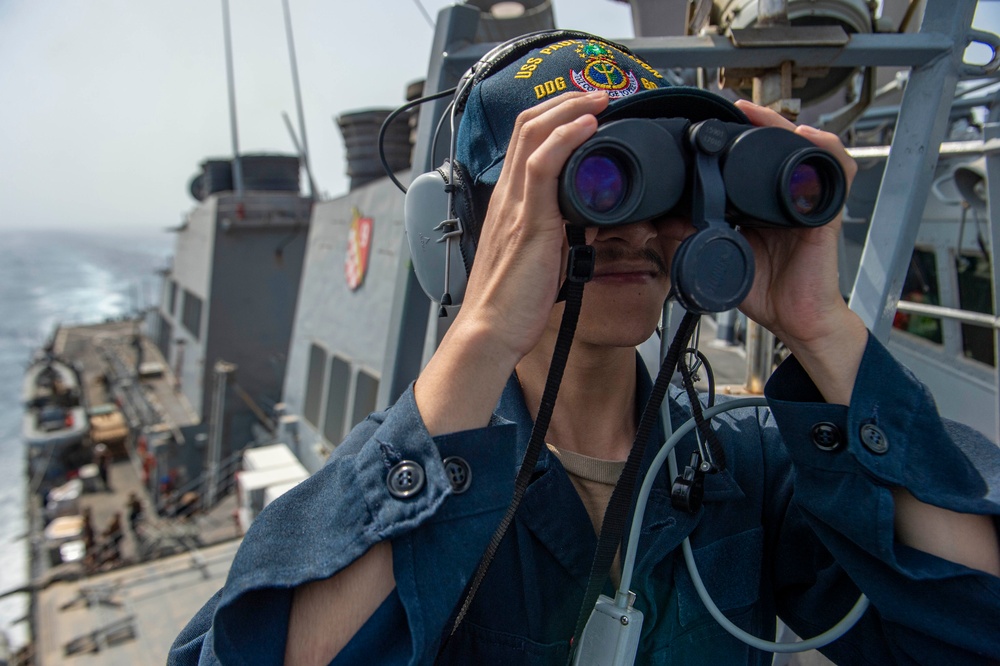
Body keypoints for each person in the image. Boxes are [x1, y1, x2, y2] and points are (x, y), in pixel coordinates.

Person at [170, 32, 1000, 665]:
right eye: (588, 182)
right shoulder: (405, 506)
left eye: (662, 187)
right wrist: (486, 331)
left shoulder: (742, 468)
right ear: (465, 234)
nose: (633, 226)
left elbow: (973, 629)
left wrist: (821, 325)